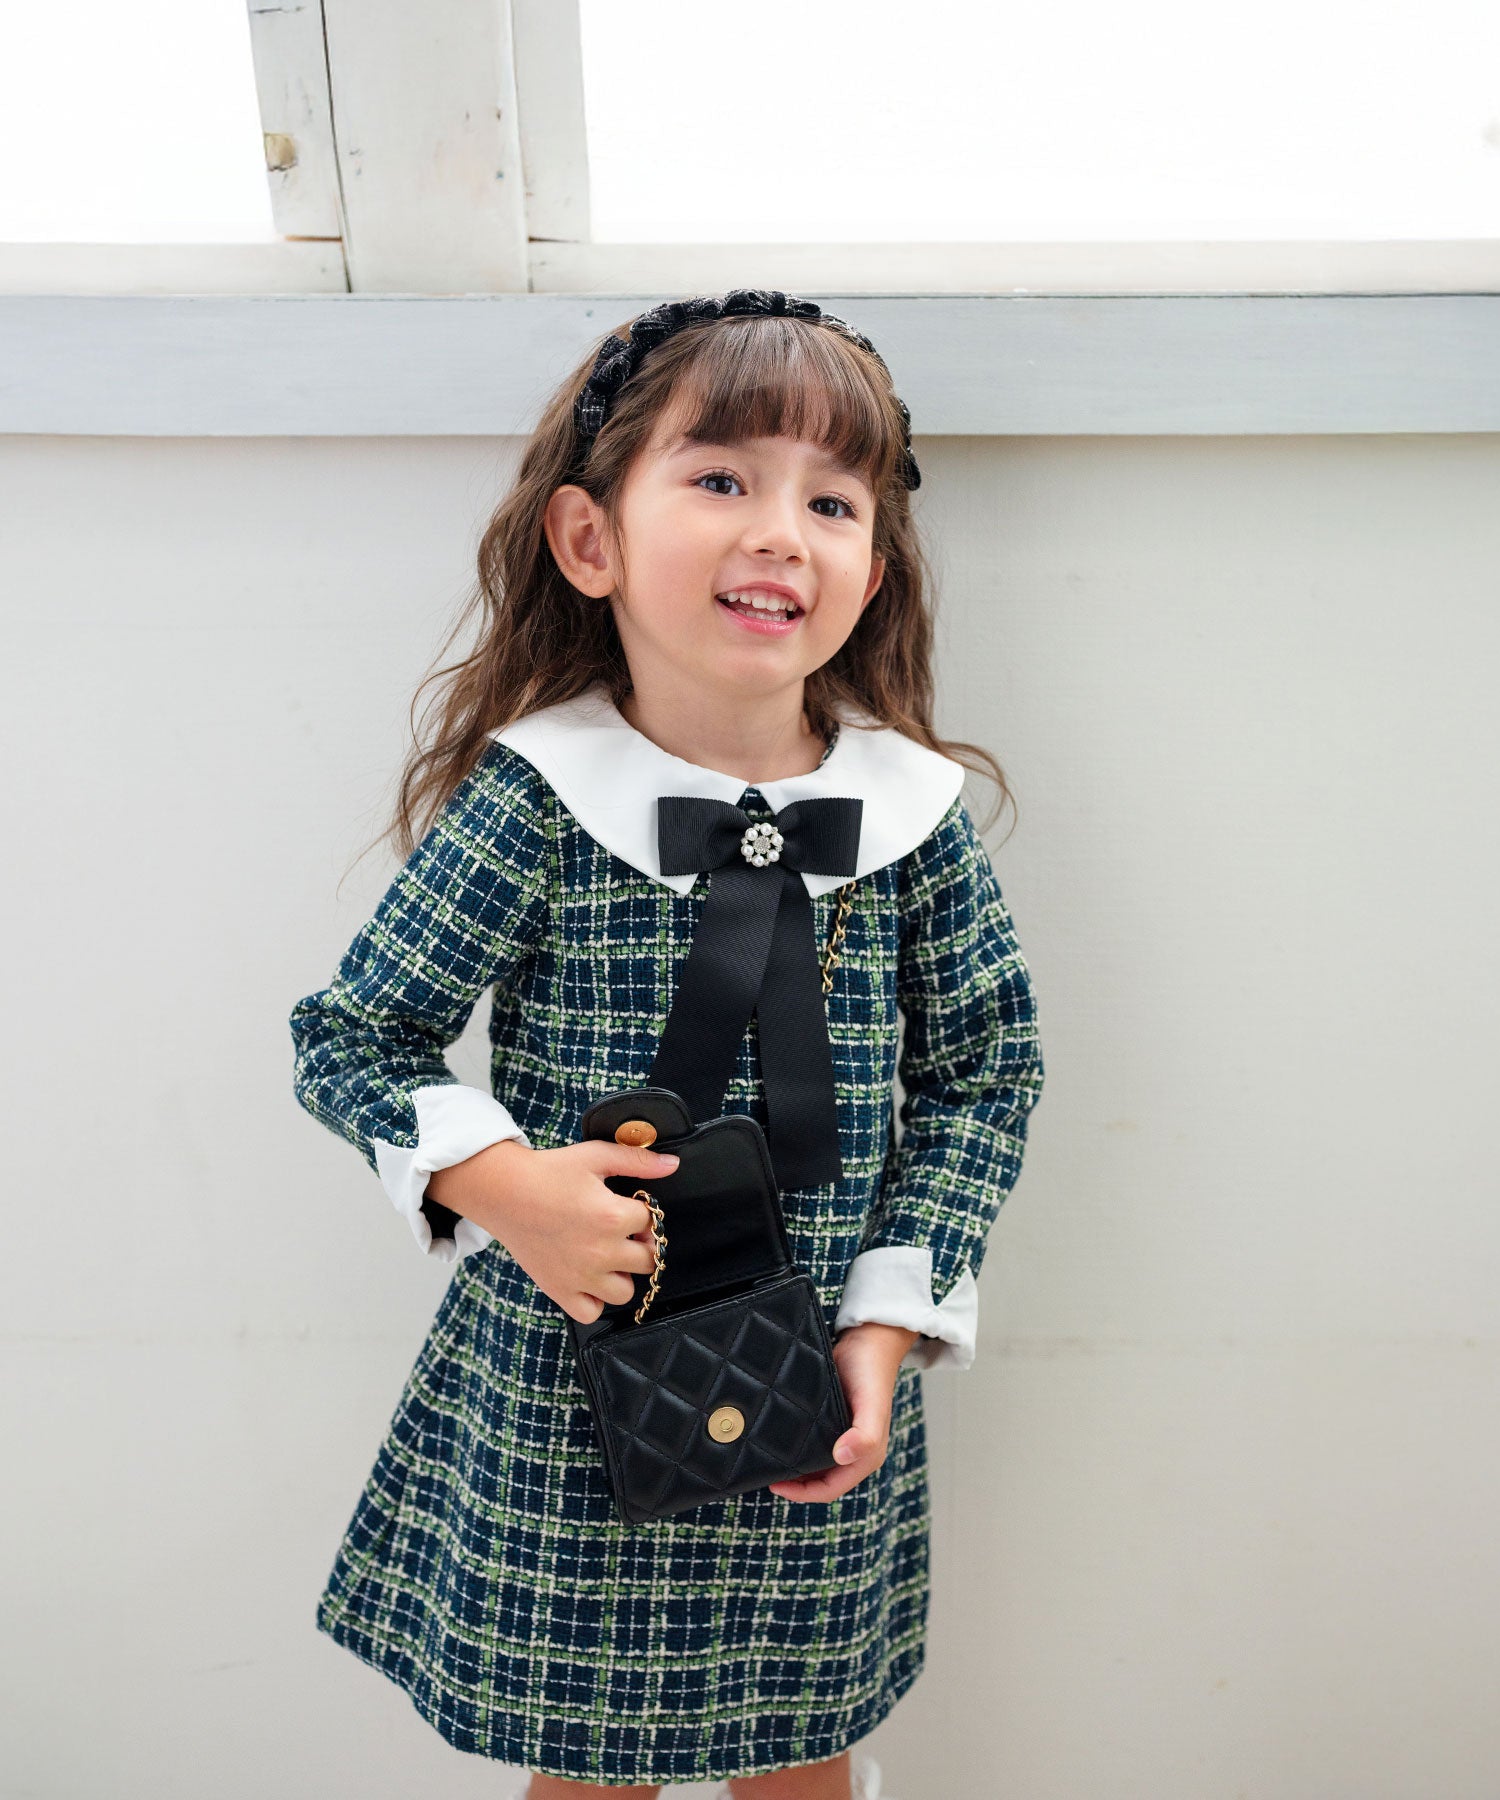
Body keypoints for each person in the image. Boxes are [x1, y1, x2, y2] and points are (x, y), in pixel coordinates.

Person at [288, 289, 1046, 1800]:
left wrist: (887, 1324)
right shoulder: (537, 798)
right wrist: (503, 1187)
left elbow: (984, 1075)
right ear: (591, 540)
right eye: (721, 478)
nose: (782, 534)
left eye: (832, 501)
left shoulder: (911, 818)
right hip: (572, 1382)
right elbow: (352, 1036)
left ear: (875, 565)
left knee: (802, 1746)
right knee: (585, 1760)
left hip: (816, 1379)